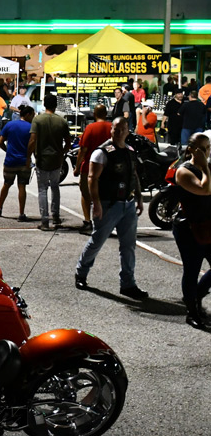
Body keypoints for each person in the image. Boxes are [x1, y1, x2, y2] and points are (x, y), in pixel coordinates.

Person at [74, 117, 149, 300]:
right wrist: (97, 204)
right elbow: (92, 178)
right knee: (97, 241)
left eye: (123, 129)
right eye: (116, 129)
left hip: (127, 204)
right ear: (111, 130)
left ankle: (128, 284)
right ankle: (81, 273)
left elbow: (134, 175)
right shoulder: (102, 152)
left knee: (128, 246)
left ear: (128, 131)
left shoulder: (130, 151)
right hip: (108, 205)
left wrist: (139, 198)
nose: (119, 132)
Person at [171, 133, 211, 329]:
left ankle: (198, 294)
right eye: (202, 149)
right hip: (189, 228)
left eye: (208, 147)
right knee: (192, 269)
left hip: (208, 225)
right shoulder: (184, 171)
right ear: (191, 149)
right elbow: (204, 189)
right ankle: (192, 311)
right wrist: (204, 167)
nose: (206, 152)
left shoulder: (208, 167)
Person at [27, 94, 71, 231]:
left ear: (44, 104)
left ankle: (45, 220)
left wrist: (28, 157)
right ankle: (56, 216)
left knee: (42, 189)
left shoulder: (37, 120)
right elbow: (68, 143)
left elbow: (32, 140)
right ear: (55, 105)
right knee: (55, 187)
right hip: (57, 159)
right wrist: (62, 153)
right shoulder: (62, 121)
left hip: (42, 159)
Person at [73, 104, 112, 234]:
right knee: (104, 195)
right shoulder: (112, 127)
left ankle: (87, 220)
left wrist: (77, 167)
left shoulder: (90, 128)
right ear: (106, 114)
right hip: (107, 167)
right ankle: (104, 221)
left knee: (86, 194)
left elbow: (83, 149)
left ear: (94, 114)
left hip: (89, 167)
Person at [0, 105, 36, 221]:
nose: (34, 117)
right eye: (33, 115)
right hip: (24, 162)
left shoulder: (10, 125)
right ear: (27, 115)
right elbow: (33, 144)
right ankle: (21, 213)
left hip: (10, 161)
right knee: (22, 186)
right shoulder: (31, 127)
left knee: (6, 184)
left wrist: (7, 150)